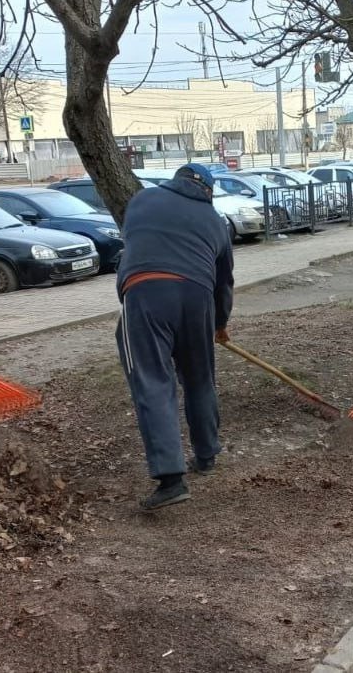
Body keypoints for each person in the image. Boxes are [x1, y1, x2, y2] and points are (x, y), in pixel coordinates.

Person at [115, 164, 234, 511]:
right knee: (199, 378)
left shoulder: (142, 200)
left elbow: (134, 243)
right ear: (208, 192)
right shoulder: (217, 222)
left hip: (147, 292)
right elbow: (224, 283)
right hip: (198, 297)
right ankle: (207, 453)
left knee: (152, 380)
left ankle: (171, 479)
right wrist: (219, 323)